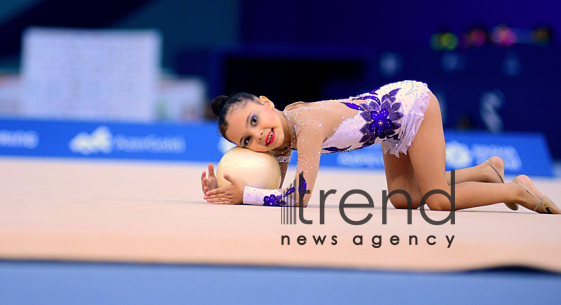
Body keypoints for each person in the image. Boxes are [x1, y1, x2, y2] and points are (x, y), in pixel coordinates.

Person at [200, 80, 559, 213]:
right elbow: (275, 188)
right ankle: (487, 171)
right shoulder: (279, 137)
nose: (257, 135)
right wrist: (227, 187)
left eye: (253, 121)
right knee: (404, 199)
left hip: (409, 106)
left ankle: (519, 189)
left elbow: (299, 197)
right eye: (246, 140)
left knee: (435, 200)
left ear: (265, 102)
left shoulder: (305, 126)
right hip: (388, 127)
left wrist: (244, 195)